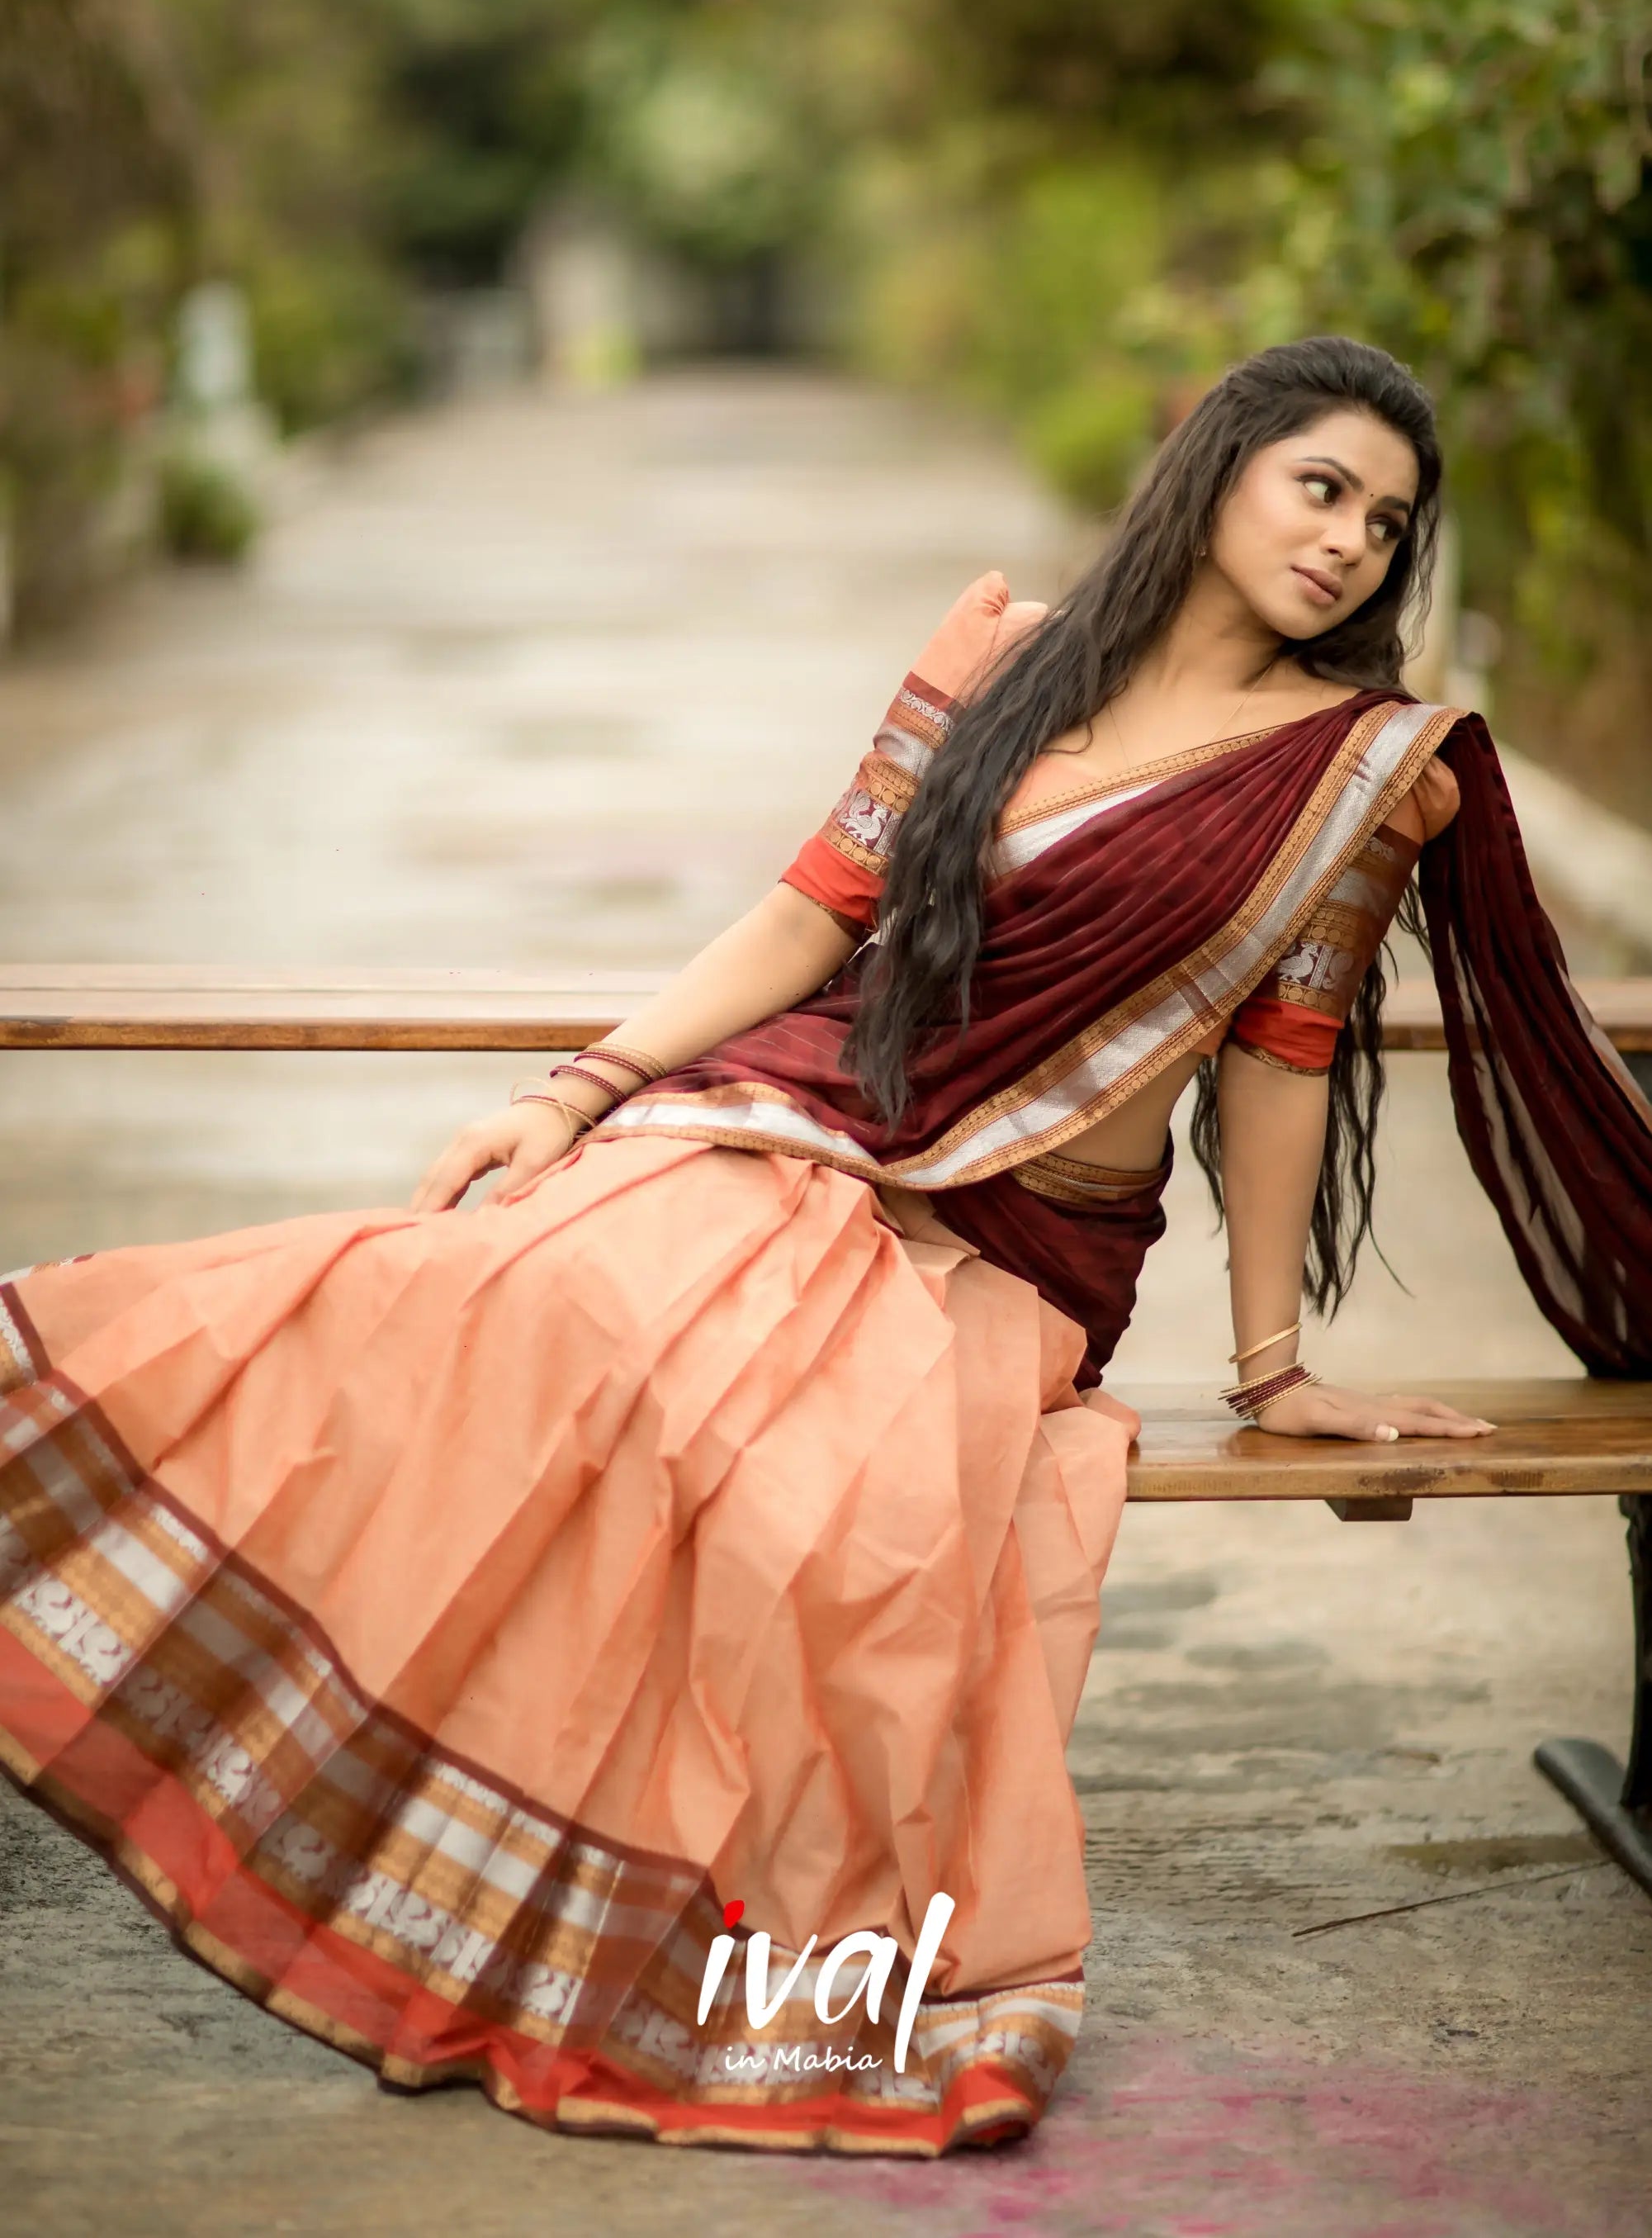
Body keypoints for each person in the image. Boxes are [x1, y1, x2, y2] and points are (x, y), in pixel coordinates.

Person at [2, 339, 1647, 2158]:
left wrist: (1271, 1369)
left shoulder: (1358, 774)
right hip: (795, 1133)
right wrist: (575, 1092)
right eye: (1317, 487)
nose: (1347, 543)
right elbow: (814, 914)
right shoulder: (1004, 661)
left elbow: (1279, 1058)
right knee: (487, 1305)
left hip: (1015, 1242)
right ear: (1220, 468)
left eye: (1386, 524)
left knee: (829, 1527)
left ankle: (703, 1956)